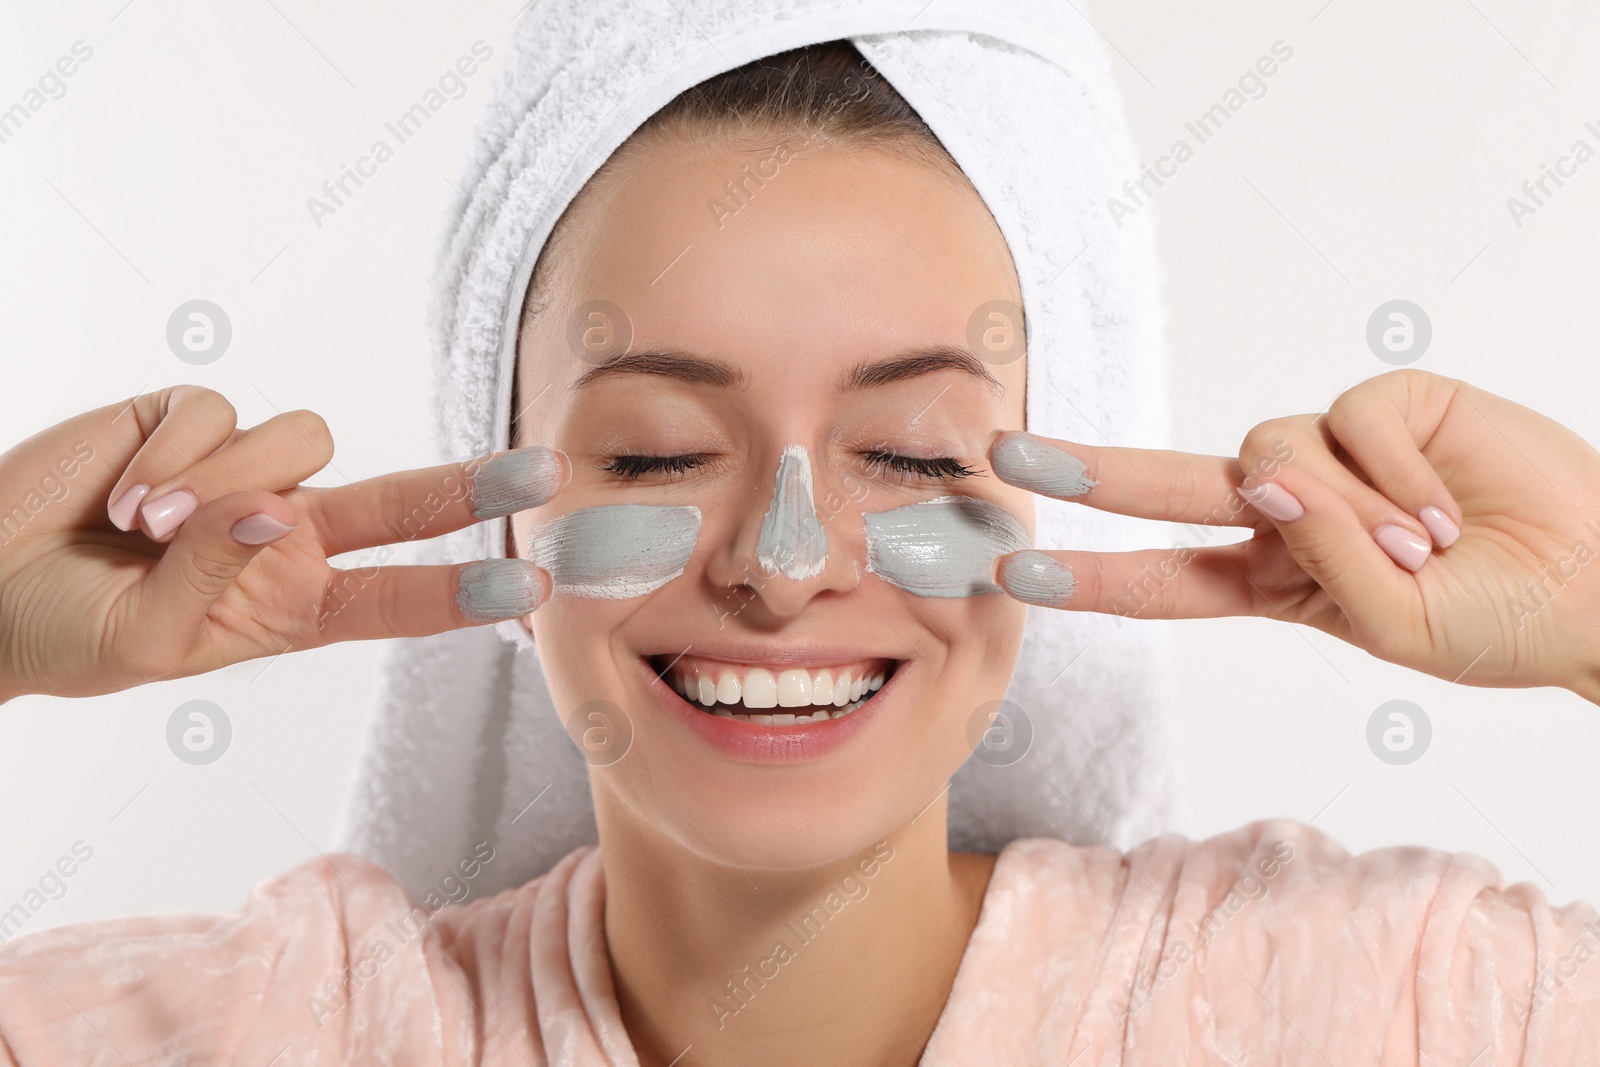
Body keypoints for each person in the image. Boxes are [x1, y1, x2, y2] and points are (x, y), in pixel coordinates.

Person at [3, 35, 1600, 1067]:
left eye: (910, 453)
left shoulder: (1372, 1005)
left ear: (1046, 496)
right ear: (503, 511)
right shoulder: (276, 1033)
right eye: (652, 453)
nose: (779, 566)